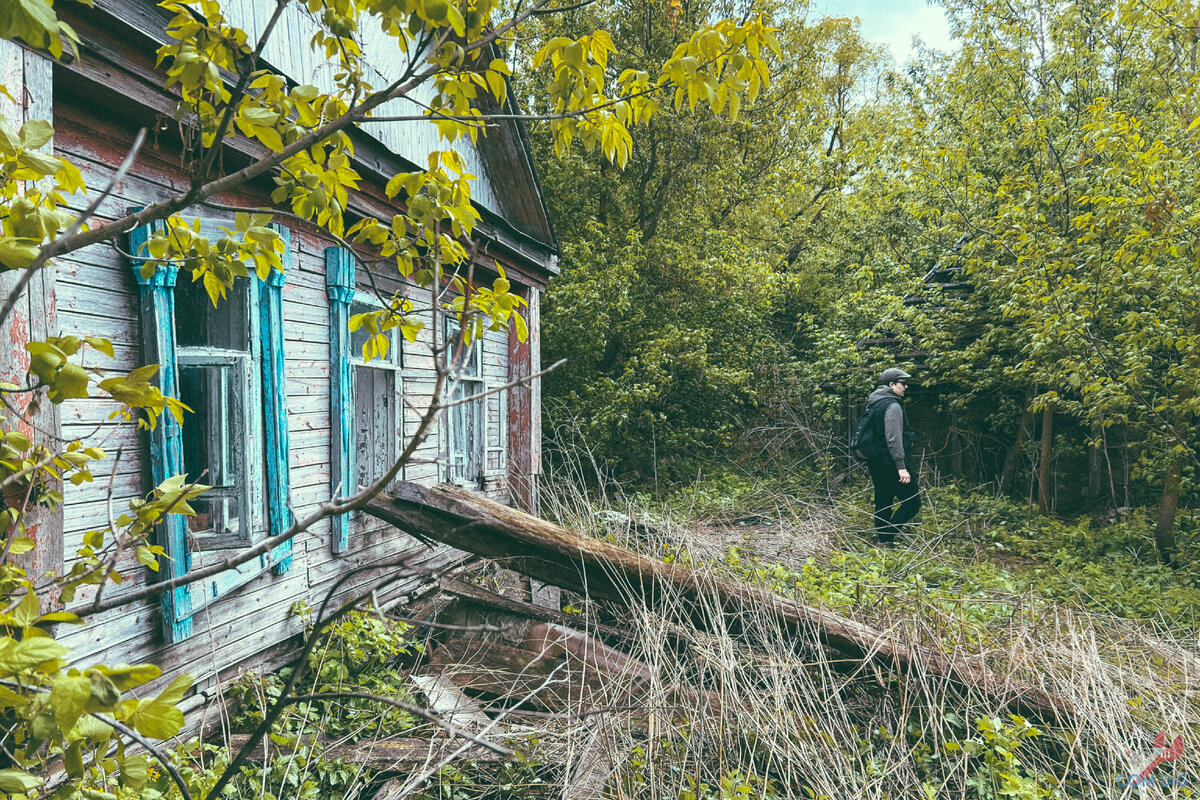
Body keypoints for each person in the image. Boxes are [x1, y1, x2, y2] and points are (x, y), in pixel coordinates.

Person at [864, 368, 920, 545]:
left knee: (884, 500)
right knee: (912, 502)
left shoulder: (874, 403)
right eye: (903, 383)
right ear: (891, 385)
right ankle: (888, 535)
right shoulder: (892, 405)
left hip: (875, 461)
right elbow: (893, 438)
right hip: (891, 463)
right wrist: (901, 466)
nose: (906, 387)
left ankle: (883, 541)